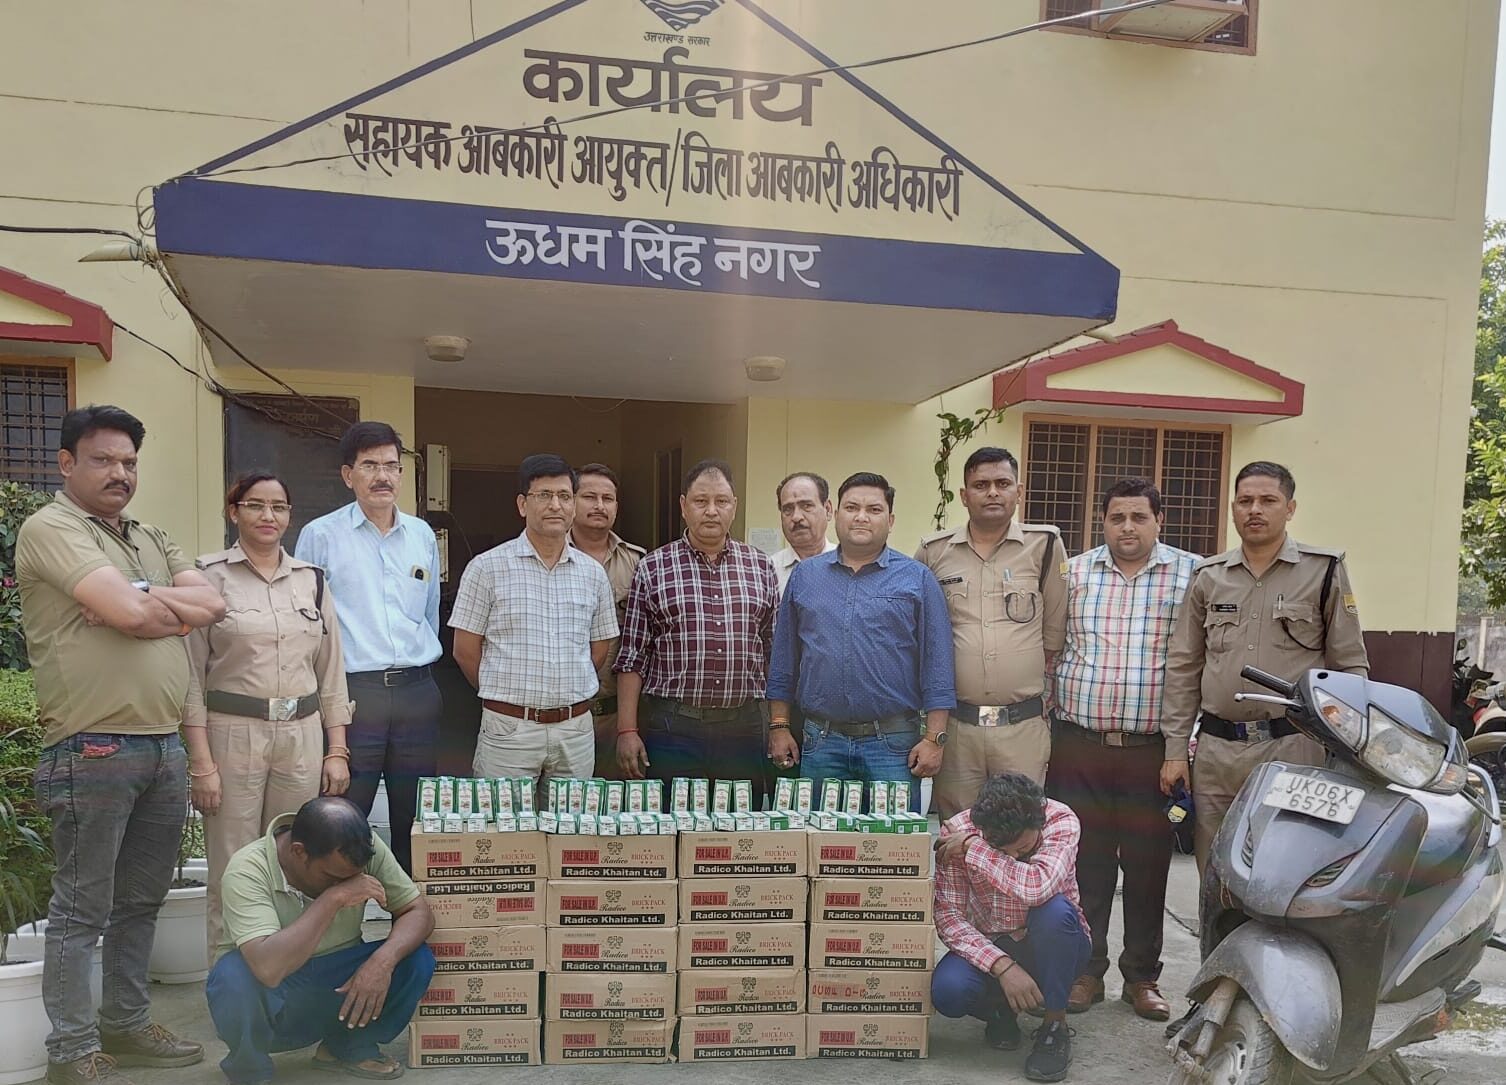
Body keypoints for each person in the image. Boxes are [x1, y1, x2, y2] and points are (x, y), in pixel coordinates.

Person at [17, 404, 225, 1085]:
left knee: (141, 901)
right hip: (92, 748)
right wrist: (147, 609)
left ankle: (127, 1025)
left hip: (163, 746)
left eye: (129, 462)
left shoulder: (147, 535)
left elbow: (212, 605)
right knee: (83, 909)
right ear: (66, 463)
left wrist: (135, 599)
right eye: (103, 460)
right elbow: (141, 614)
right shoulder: (52, 528)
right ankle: (72, 1050)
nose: (120, 473)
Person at [1161, 461, 1369, 873]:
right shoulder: (1209, 576)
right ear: (1233, 509)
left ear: (1290, 508)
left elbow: (1350, 666)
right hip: (1217, 752)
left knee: (1285, 868)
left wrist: (1346, 749)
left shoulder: (1323, 570)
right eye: (1245, 501)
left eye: (1268, 500)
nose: (1254, 509)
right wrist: (1175, 752)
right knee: (1215, 870)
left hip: (1293, 746)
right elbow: (1184, 666)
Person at [1044, 478, 1197, 1021]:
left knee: (1148, 865)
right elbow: (1052, 649)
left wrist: (1180, 747)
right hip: (1079, 745)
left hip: (1151, 752)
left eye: (1139, 517)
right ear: (1102, 522)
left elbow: (1196, 662)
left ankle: (1142, 978)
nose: (1127, 528)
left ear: (1159, 521)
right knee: (1084, 864)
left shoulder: (1192, 575)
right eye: (1116, 518)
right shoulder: (1073, 574)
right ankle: (1087, 971)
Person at [185, 472, 354, 955]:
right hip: (233, 734)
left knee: (297, 860)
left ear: (289, 516)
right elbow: (190, 677)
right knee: (233, 864)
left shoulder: (311, 581)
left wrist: (337, 750)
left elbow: (331, 673)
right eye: (255, 505)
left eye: (278, 507)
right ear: (233, 512)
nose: (268, 516)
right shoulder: (206, 578)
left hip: (301, 736)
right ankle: (229, 978)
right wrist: (202, 763)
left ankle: (287, 973)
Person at [295, 422, 442, 875]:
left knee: (415, 816)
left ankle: (408, 909)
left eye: (392, 466)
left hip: (417, 692)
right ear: (348, 475)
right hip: (355, 694)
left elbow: (430, 613)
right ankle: (344, 910)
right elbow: (308, 623)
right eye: (370, 466)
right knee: (346, 813)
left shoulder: (421, 535)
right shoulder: (321, 535)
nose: (383, 476)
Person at [205, 797, 436, 1084]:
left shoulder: (360, 846)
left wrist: (382, 962)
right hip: (276, 993)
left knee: (415, 958)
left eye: (352, 878)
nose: (345, 883)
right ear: (299, 852)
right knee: (232, 976)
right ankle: (250, 1070)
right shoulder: (248, 869)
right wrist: (333, 898)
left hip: (338, 984)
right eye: (333, 877)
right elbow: (268, 968)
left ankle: (347, 1047)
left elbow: (418, 912)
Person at [767, 472, 953, 807]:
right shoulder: (806, 577)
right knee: (820, 837)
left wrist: (934, 738)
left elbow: (937, 664)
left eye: (874, 509)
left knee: (893, 838)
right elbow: (784, 660)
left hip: (893, 745)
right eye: (852, 507)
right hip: (822, 743)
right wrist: (779, 726)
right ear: (835, 513)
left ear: (890, 520)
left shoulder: (916, 579)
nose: (861, 517)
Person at [450, 454, 618, 791]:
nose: (555, 505)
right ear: (522, 505)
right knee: (505, 821)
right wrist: (505, 695)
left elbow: (599, 647)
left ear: (573, 505)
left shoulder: (592, 574)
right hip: (510, 729)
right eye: (544, 495)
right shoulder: (487, 568)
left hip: (574, 730)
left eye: (564, 496)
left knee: (571, 822)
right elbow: (465, 650)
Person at [916, 447, 1068, 819]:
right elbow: (918, 629)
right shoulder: (934, 551)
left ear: (1019, 491)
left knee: (1020, 829)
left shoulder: (1045, 546)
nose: (993, 492)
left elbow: (1053, 636)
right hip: (958, 728)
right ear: (964, 495)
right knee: (957, 829)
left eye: (1003, 483)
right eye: (981, 485)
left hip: (1021, 728)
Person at [614, 459, 778, 794]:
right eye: (701, 501)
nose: (711, 511)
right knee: (674, 818)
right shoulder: (654, 567)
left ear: (734, 506)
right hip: (674, 726)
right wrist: (627, 730)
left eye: (722, 501)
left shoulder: (761, 567)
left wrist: (779, 725)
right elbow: (633, 656)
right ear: (683, 506)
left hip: (743, 727)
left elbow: (774, 653)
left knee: (739, 819)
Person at [932, 771, 1091, 1083]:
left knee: (1055, 912)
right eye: (1002, 850)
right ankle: (1000, 1011)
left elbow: (1037, 887)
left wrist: (975, 849)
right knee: (949, 991)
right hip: (993, 941)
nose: (1014, 856)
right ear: (982, 828)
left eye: (1023, 849)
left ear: (1038, 820)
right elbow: (949, 918)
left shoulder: (1061, 821)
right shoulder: (956, 832)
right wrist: (1002, 966)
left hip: (1054, 942)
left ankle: (1054, 1025)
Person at [568, 463, 646, 778]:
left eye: (608, 498)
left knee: (618, 801)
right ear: (571, 501)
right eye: (589, 497)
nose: (599, 506)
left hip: (619, 716)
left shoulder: (638, 563)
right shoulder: (550, 557)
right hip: (564, 715)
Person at [771, 472, 836, 594]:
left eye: (807, 506)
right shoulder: (768, 570)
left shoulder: (850, 565)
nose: (796, 517)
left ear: (827, 510)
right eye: (788, 509)